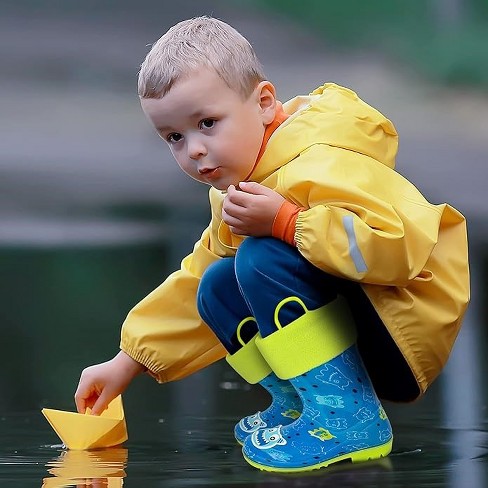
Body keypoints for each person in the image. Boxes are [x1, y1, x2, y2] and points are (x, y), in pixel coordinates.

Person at [75, 16, 470, 472]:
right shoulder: (240, 187)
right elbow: (197, 276)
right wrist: (128, 361)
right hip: (360, 327)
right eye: (175, 137)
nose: (195, 149)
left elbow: (395, 250)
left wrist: (287, 222)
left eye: (208, 123)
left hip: (405, 325)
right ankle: (303, 406)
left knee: (260, 256)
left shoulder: (323, 160)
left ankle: (348, 421)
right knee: (217, 281)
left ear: (264, 103)